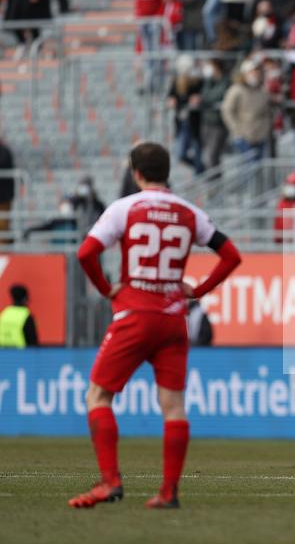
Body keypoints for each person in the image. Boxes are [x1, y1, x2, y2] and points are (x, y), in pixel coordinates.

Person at [69, 142, 242, 509]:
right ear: (167, 173)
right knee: (173, 406)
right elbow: (231, 256)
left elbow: (86, 253)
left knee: (98, 396)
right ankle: (169, 492)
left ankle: (110, 481)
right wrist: (198, 291)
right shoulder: (188, 211)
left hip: (134, 314)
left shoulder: (124, 208)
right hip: (173, 319)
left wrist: (106, 290)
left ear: (135, 172)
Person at [221, 60, 273, 162]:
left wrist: (266, 128)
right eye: (251, 72)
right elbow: (227, 110)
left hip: (260, 135)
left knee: (258, 166)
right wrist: (236, 130)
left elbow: (267, 112)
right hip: (243, 135)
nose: (255, 74)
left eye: (256, 72)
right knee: (249, 166)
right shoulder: (236, 90)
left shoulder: (262, 90)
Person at [167, 55, 205, 175]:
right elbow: (171, 96)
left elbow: (201, 97)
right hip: (182, 121)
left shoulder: (197, 82)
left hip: (195, 122)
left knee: (197, 151)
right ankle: (202, 169)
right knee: (181, 154)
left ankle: (200, 172)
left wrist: (198, 99)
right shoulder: (176, 82)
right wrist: (172, 100)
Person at [199, 59, 230, 172]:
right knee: (207, 155)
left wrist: (205, 99)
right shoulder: (209, 81)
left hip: (219, 124)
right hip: (207, 122)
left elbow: (211, 96)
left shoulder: (225, 81)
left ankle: (215, 182)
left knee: (213, 155)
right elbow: (204, 95)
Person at [135, 0, 166, 94]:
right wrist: (138, 15)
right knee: (147, 54)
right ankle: (147, 82)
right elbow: (138, 2)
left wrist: (158, 17)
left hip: (154, 21)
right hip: (143, 20)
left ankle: (155, 82)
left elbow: (162, 1)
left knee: (154, 53)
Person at [0, 138, 14, 245]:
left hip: (3, 197)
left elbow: (3, 164)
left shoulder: (4, 151)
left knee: (3, 225)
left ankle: (4, 249)